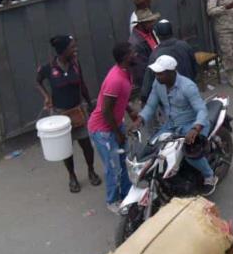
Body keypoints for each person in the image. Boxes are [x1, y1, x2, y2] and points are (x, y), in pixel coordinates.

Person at [135, 55, 217, 195]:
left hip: (192, 125)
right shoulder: (158, 84)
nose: (157, 76)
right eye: (156, 73)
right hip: (171, 125)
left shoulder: (187, 86)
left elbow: (201, 110)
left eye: (160, 73)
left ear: (171, 72)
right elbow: (150, 105)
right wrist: (140, 119)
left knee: (190, 153)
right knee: (152, 148)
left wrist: (195, 128)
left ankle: (209, 176)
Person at [35, 35, 99, 194]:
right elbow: (37, 81)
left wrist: (90, 105)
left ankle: (91, 170)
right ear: (63, 51)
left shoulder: (76, 64)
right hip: (60, 115)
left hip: (78, 111)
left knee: (86, 145)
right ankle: (72, 176)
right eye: (72, 47)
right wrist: (46, 96)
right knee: (65, 148)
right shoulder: (48, 68)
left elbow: (82, 84)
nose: (75, 49)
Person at [87, 42, 137, 213]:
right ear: (125, 57)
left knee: (124, 162)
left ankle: (126, 193)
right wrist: (118, 134)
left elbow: (122, 98)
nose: (136, 54)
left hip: (115, 124)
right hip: (104, 130)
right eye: (133, 53)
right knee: (113, 167)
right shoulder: (115, 79)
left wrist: (130, 110)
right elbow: (107, 111)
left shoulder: (126, 73)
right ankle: (113, 201)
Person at [140, 19, 199, 101]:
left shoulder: (155, 54)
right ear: (172, 31)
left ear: (157, 34)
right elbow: (195, 68)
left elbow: (148, 82)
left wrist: (144, 99)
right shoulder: (185, 45)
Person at [129, 8, 160, 89]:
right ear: (140, 24)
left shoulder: (150, 32)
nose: (153, 23)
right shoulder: (136, 44)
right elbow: (141, 72)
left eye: (152, 21)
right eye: (149, 22)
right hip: (151, 84)